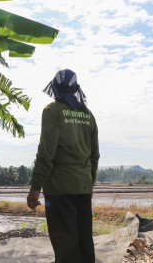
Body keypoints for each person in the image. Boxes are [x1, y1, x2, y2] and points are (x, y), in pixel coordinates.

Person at [27, 69, 99, 263]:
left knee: (66, 246)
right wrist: (90, 184)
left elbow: (46, 152)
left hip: (59, 191)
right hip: (83, 188)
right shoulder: (88, 115)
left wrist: (35, 188)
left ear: (55, 88)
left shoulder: (52, 111)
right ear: (76, 89)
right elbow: (95, 156)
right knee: (85, 242)